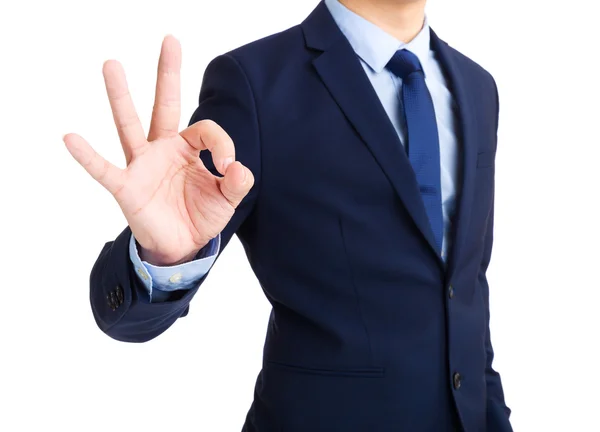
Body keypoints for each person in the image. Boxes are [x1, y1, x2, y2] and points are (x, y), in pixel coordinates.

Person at [64, 0, 512, 430]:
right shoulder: (255, 82)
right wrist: (162, 257)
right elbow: (126, 318)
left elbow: (467, 291)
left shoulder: (477, 87)